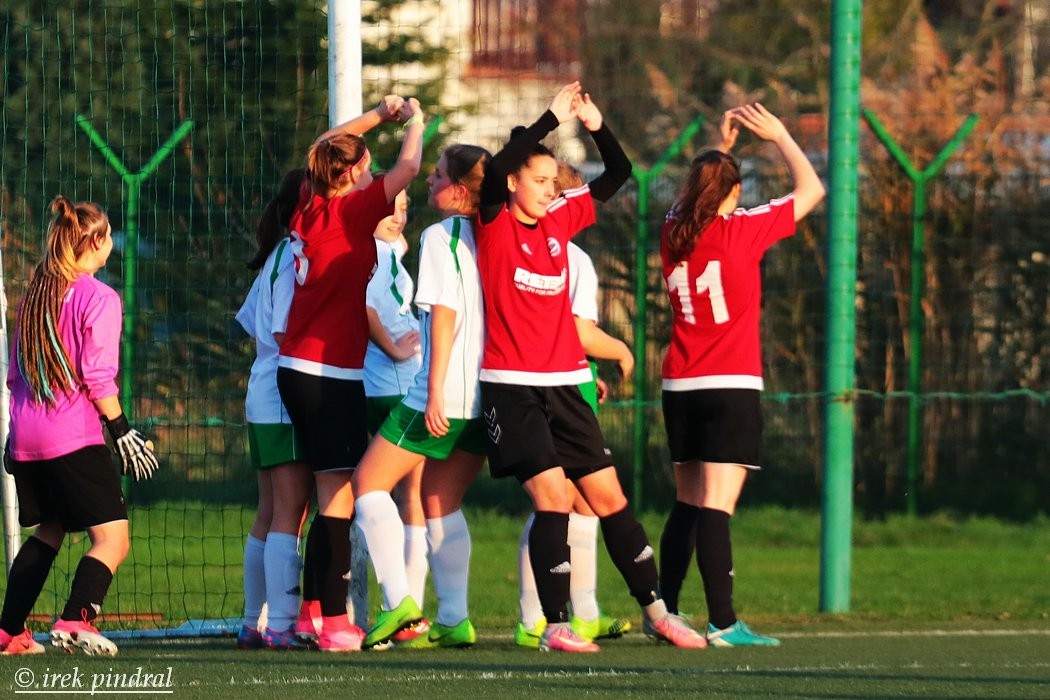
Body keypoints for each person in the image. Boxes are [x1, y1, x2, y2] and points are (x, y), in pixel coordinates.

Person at [476, 81, 706, 653]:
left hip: (565, 385)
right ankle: (555, 624)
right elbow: (496, 166)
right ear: (513, 183)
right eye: (539, 180)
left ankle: (658, 612)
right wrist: (551, 118)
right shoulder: (494, 222)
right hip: (513, 389)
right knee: (553, 499)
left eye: (553, 182)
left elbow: (619, 172)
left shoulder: (559, 221)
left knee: (610, 500)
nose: (549, 191)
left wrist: (596, 125)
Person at [658, 103, 825, 647]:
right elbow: (812, 190)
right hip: (729, 384)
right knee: (716, 505)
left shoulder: (671, 231)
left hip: (680, 385)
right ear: (733, 193)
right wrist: (780, 136)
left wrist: (719, 149)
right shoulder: (742, 231)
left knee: (688, 501)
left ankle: (665, 612)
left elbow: (694, 197)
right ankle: (724, 623)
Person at [275, 94, 424, 652]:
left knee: (325, 493)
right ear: (355, 173)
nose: (372, 172)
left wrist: (380, 116)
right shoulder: (352, 212)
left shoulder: (310, 203)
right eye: (366, 165)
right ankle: (336, 622)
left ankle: (311, 613)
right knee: (338, 497)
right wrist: (416, 122)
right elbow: (409, 166)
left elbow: (322, 146)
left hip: (297, 368)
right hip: (328, 374)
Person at [0, 196, 159, 657]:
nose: (111, 244)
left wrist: (14, 436)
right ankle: (76, 617)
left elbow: (14, 376)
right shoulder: (100, 298)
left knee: (49, 529)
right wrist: (122, 429)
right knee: (112, 537)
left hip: (26, 436)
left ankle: (9, 631)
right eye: (108, 236)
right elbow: (97, 376)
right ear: (95, 242)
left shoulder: (36, 296)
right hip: (71, 436)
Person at [353, 143, 492, 650]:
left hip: (443, 392)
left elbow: (445, 316)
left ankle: (400, 604)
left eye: (437, 175)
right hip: (485, 394)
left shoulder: (440, 236)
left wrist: (433, 391)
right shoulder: (493, 233)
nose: (428, 182)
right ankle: (454, 617)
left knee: (367, 484)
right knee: (439, 500)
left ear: (459, 189)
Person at [514, 163, 635, 648]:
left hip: (563, 378)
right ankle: (536, 616)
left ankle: (583, 610)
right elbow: (580, 330)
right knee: (557, 501)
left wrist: (587, 372)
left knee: (576, 503)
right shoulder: (573, 256)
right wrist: (621, 350)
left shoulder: (539, 248)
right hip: (557, 385)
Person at [234, 169, 313, 650]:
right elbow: (283, 330)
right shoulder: (291, 256)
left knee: (270, 511)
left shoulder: (277, 254)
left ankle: (252, 622)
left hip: (263, 391)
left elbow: (251, 324)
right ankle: (281, 625)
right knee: (290, 511)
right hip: (284, 394)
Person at [362, 188, 428, 639]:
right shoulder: (374, 255)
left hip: (391, 384)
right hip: (395, 386)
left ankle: (404, 607)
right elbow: (366, 307)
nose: (399, 216)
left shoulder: (386, 251)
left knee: (401, 495)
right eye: (389, 208)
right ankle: (404, 607)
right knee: (405, 495)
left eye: (404, 208)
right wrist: (394, 348)